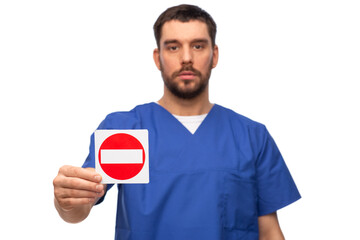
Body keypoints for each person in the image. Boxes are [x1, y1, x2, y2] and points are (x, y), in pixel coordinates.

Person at [53, 4, 301, 240]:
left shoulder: (251, 136)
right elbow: (80, 208)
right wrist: (66, 200)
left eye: (198, 46)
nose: (186, 58)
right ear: (158, 58)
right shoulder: (124, 131)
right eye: (173, 47)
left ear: (214, 55)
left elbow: (269, 232)